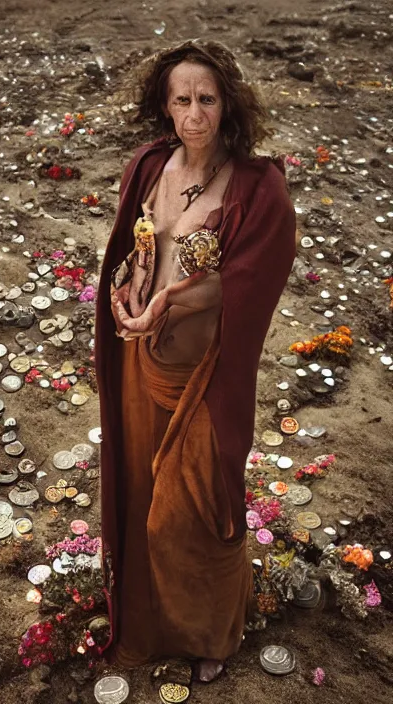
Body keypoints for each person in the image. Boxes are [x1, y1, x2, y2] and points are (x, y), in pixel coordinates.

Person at [95, 39, 296, 683]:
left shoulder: (258, 187)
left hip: (203, 376)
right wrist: (129, 291)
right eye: (181, 99)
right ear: (164, 103)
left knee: (199, 510)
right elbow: (136, 248)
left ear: (227, 103)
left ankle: (212, 631)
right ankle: (153, 625)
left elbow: (240, 281)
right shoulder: (150, 167)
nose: (194, 114)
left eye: (206, 99)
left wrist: (168, 306)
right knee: (144, 493)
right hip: (141, 364)